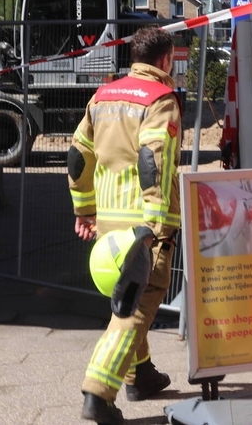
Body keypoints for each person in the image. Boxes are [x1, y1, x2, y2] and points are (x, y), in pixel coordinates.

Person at [69, 26, 181, 425]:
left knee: (128, 301)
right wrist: (153, 224)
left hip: (109, 228)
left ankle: (142, 374)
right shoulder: (160, 100)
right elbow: (154, 161)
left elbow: (78, 157)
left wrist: (84, 210)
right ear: (166, 60)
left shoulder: (103, 96)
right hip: (142, 229)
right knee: (134, 311)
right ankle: (98, 394)